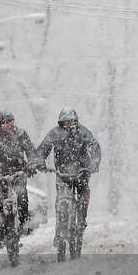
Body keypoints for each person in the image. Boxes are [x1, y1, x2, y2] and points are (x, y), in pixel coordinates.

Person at [36, 108, 101, 261]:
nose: (69, 124)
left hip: (82, 172)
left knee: (83, 195)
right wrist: (39, 161)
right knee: (61, 202)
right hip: (63, 174)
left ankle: (82, 219)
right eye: (65, 122)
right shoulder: (55, 133)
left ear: (76, 121)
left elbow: (95, 147)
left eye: (71, 121)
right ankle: (59, 231)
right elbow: (43, 148)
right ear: (61, 122)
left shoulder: (83, 132)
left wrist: (94, 163)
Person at [0, 110, 40, 251]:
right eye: (5, 123)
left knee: (23, 202)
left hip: (19, 173)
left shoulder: (21, 134)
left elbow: (31, 152)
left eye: (11, 121)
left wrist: (33, 164)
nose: (9, 125)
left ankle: (21, 227)